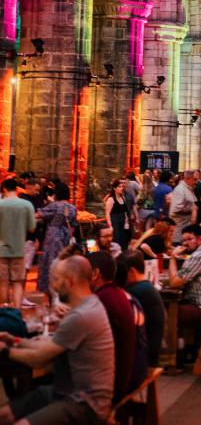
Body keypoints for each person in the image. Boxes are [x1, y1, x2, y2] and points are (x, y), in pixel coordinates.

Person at [0, 255, 114, 424]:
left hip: (86, 404)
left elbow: (39, 359)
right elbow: (48, 345)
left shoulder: (81, 316)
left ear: (70, 281)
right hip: (64, 391)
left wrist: (5, 351)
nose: (53, 285)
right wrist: (15, 340)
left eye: (57, 279)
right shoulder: (90, 304)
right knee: (4, 415)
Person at [88, 250, 138, 401]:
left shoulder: (101, 299)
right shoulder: (118, 293)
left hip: (107, 388)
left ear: (95, 273)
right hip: (122, 376)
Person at [121, 250, 166, 366]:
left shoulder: (136, 291)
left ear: (131, 272)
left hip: (144, 358)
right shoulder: (146, 287)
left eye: (120, 274)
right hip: (151, 354)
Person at [0, 177, 36, 309]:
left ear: (4, 189)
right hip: (19, 248)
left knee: (3, 282)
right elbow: (32, 227)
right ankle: (16, 311)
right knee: (18, 282)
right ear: (16, 189)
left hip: (1, 249)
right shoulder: (26, 205)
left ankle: (4, 310)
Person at [36, 182, 78, 296]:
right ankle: (62, 291)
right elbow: (73, 226)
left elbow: (38, 214)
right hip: (66, 237)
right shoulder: (73, 208)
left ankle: (50, 293)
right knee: (63, 264)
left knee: (50, 264)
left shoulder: (55, 205)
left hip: (53, 236)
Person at [169, 171, 198, 242]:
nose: (196, 182)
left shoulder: (188, 189)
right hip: (179, 231)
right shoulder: (180, 189)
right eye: (194, 179)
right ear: (188, 178)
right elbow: (176, 209)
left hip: (185, 229)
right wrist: (192, 210)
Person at [104, 178, 132, 252]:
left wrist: (126, 221)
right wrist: (110, 226)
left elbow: (125, 211)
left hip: (122, 221)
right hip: (114, 221)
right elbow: (107, 213)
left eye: (122, 187)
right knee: (116, 239)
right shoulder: (111, 199)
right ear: (114, 188)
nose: (121, 188)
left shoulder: (123, 197)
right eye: (119, 187)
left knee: (123, 240)